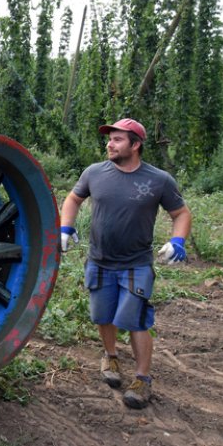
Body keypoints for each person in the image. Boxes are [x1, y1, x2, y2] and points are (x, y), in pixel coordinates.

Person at [59, 118, 192, 409]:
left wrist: (178, 241)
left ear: (135, 145)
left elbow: (181, 213)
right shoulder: (94, 173)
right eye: (110, 139)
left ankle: (142, 379)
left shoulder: (158, 180)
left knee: (135, 320)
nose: (110, 144)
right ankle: (110, 356)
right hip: (99, 260)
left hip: (136, 264)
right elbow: (73, 199)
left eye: (118, 140)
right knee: (102, 315)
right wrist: (65, 227)